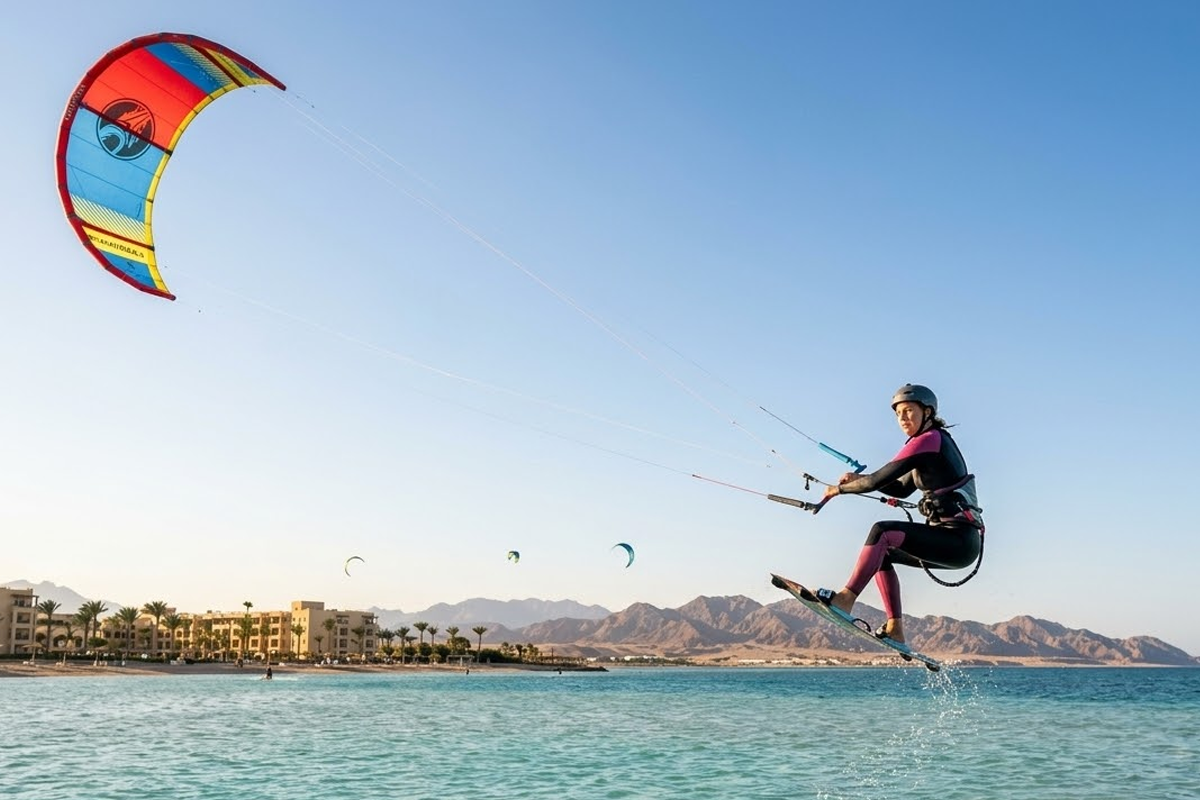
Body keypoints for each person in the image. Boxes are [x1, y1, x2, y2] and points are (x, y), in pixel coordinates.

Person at [816, 384, 984, 644]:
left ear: (927, 412)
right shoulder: (928, 445)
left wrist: (840, 489)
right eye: (897, 414)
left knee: (881, 532)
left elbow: (876, 481)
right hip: (953, 543)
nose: (902, 419)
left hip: (958, 541)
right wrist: (859, 479)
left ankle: (845, 598)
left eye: (908, 411)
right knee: (881, 552)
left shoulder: (930, 440)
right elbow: (900, 489)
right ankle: (895, 628)